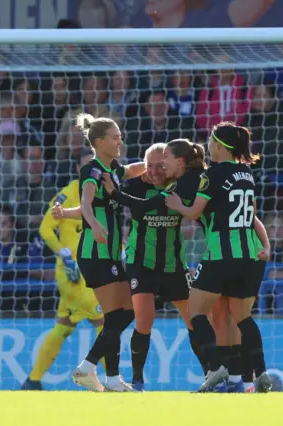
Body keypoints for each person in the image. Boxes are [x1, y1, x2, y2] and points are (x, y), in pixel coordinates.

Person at [165, 121, 271, 393]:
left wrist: (178, 205)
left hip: (220, 255)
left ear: (220, 146)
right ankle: (259, 374)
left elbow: (195, 213)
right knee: (242, 318)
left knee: (195, 311)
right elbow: (252, 215)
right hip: (249, 256)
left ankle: (215, 366)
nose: (209, 147)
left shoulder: (210, 175)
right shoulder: (247, 174)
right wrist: (266, 245)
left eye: (212, 142)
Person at [100, 139, 208, 391]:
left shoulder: (180, 186)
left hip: (173, 264)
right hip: (141, 263)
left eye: (160, 165)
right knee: (144, 319)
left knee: (194, 319)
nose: (155, 171)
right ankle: (137, 380)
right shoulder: (133, 186)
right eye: (149, 165)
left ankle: (210, 373)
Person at [55, 113, 145, 392]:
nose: (120, 140)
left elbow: (131, 170)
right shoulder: (91, 170)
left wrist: (161, 160)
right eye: (115, 136)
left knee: (121, 314)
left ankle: (107, 377)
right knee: (121, 314)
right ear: (100, 142)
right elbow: (86, 203)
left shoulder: (114, 169)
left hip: (109, 255)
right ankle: (92, 370)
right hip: (94, 254)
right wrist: (93, 225)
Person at [21, 149, 106, 391]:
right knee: (105, 322)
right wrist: (64, 254)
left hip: (94, 270)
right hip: (75, 274)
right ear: (79, 169)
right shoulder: (67, 195)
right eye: (88, 165)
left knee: (63, 326)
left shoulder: (103, 193)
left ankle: (33, 380)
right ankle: (112, 383)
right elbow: (46, 229)